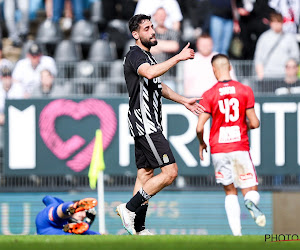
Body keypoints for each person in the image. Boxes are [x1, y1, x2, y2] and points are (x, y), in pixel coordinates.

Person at [116, 14, 203, 236]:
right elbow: (150, 73)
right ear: (135, 35)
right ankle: (128, 209)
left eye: (152, 27)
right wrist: (178, 57)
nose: (153, 31)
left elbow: (158, 85)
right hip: (146, 123)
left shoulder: (148, 57)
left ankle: (138, 228)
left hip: (148, 123)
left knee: (145, 174)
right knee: (170, 172)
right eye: (147, 28)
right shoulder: (136, 55)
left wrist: (184, 100)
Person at [196, 54, 266, 236]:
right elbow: (255, 123)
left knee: (229, 191)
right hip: (239, 146)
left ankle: (237, 234)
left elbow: (199, 126)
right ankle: (250, 203)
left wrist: (202, 143)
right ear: (230, 68)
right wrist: (244, 126)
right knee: (250, 189)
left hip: (218, 149)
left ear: (214, 70)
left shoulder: (209, 94)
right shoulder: (244, 90)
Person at [254, 12, 299, 80]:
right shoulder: (264, 37)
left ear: (282, 23)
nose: (277, 24)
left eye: (279, 22)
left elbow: (296, 56)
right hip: (267, 75)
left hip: (285, 77)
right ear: (270, 23)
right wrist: (260, 74)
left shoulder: (289, 37)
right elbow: (258, 58)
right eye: (274, 22)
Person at [36, 196, 100, 235]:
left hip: (48, 230)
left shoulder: (74, 227)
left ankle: (70, 208)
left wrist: (88, 223)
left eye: (85, 214)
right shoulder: (57, 205)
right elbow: (47, 198)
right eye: (81, 211)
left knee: (76, 234)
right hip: (50, 216)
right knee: (57, 210)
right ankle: (71, 207)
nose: (83, 215)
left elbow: (85, 232)